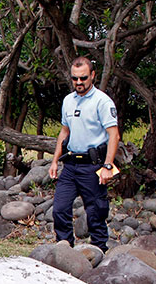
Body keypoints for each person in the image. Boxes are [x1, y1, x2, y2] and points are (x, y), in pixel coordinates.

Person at [49, 57, 120, 252]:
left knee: (96, 211)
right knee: (59, 209)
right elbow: (64, 132)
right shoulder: (68, 101)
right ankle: (64, 249)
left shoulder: (102, 101)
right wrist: (55, 161)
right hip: (71, 165)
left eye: (83, 78)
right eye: (75, 79)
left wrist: (107, 166)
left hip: (93, 165)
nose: (79, 83)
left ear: (92, 76)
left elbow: (114, 135)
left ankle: (99, 251)